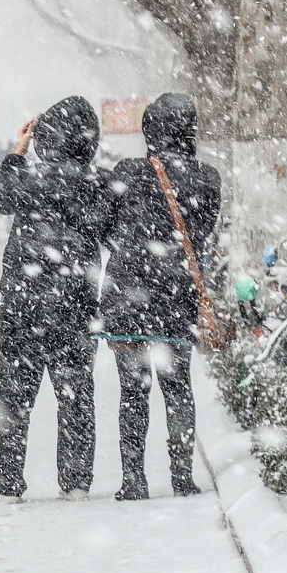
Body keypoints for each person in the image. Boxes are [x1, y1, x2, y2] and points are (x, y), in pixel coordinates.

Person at [98, 92, 221, 500]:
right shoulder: (206, 177)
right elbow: (201, 234)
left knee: (132, 392)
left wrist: (132, 248)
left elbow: (103, 226)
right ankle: (182, 477)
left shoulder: (127, 171)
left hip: (127, 297)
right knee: (178, 387)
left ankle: (133, 481)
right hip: (176, 294)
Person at [0, 96, 111, 501]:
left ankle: (9, 484)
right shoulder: (100, 186)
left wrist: (17, 151)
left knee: (13, 399)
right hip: (75, 309)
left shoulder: (29, 179)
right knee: (75, 398)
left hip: (22, 306)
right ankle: (76, 484)